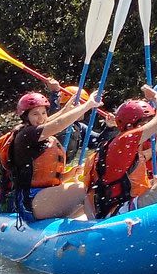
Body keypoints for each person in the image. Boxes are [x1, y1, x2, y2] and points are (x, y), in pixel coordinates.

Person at [84, 85, 157, 219]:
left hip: (116, 209)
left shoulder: (119, 146)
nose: (149, 127)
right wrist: (156, 96)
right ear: (131, 125)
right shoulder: (126, 139)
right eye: (145, 123)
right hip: (120, 212)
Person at [7, 90, 103, 221]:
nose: (40, 118)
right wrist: (87, 106)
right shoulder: (27, 135)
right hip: (30, 200)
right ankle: (97, 229)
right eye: (35, 114)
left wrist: (67, 108)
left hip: (44, 197)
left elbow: (52, 121)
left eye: (43, 113)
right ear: (25, 116)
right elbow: (58, 124)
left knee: (89, 184)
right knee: (83, 190)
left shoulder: (38, 135)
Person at [49, 84, 118, 164]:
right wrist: (55, 93)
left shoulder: (79, 127)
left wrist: (110, 128)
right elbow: (54, 117)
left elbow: (98, 142)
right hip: (49, 167)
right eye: (81, 107)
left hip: (62, 168)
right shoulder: (55, 122)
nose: (84, 111)